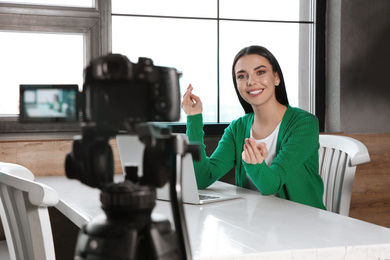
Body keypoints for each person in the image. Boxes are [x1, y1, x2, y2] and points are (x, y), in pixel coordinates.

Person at [181, 45, 326, 210]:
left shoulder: (303, 124)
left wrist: (254, 164)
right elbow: (201, 178)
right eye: (242, 76)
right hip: (257, 222)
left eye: (260, 72)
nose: (251, 82)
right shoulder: (238, 128)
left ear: (276, 77)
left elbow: (270, 185)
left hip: (304, 223)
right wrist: (193, 118)